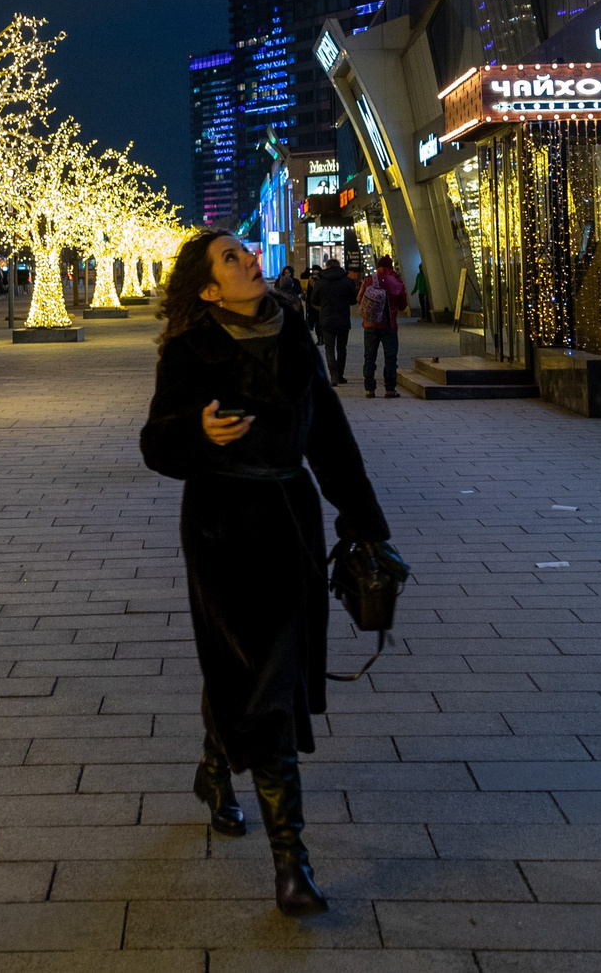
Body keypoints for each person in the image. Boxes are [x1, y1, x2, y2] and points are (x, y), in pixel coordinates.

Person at [140, 230, 394, 916]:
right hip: (221, 530)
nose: (249, 259)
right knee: (260, 680)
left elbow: (331, 438)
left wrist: (368, 524)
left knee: (262, 676)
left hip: (290, 526)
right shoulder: (192, 350)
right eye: (231, 258)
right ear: (207, 288)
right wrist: (198, 434)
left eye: (247, 252)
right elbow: (156, 443)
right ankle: (293, 862)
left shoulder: (293, 336)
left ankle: (216, 768)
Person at [359, 253, 408, 397]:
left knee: (369, 357)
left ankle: (369, 389)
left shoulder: (369, 280)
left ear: (379, 266)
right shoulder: (397, 282)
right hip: (389, 325)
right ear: (391, 266)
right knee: (390, 357)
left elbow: (359, 299)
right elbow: (403, 306)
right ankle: (390, 389)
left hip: (370, 325)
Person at [305, 260, 358, 383]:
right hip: (343, 319)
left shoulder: (320, 282)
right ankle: (340, 375)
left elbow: (314, 300)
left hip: (326, 319)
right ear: (339, 266)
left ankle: (333, 375)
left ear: (326, 267)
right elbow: (353, 301)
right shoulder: (348, 281)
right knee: (342, 348)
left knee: (329, 348)